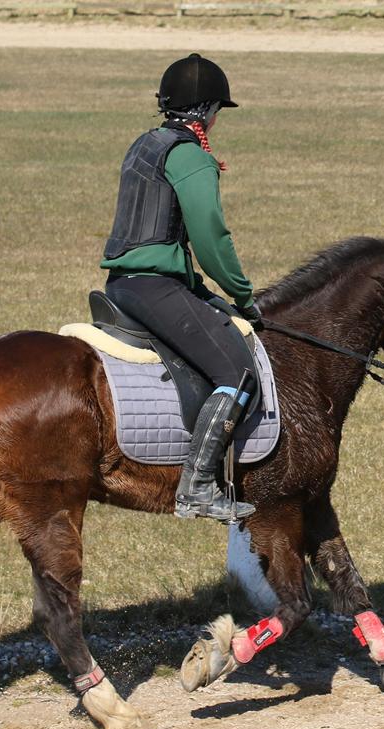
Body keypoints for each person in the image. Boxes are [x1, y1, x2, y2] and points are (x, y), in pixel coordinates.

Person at [101, 53, 261, 521]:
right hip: (156, 288)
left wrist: (203, 292)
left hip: (124, 285)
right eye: (217, 111)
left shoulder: (144, 144)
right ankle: (198, 488)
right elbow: (211, 240)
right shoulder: (190, 156)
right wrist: (243, 295)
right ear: (208, 110)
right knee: (238, 372)